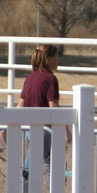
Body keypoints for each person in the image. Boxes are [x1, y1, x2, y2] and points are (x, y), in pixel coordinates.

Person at [15, 43, 69, 181]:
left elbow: (21, 104)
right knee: (33, 168)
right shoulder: (50, 79)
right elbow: (53, 106)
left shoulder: (29, 78)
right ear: (49, 59)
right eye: (56, 57)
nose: (58, 60)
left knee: (51, 162)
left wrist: (9, 126)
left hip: (29, 129)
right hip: (44, 131)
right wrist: (66, 130)